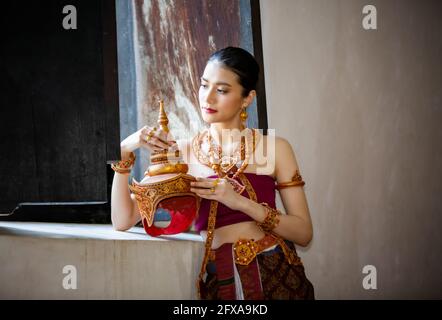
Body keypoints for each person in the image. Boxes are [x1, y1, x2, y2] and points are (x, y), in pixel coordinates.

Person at [111, 46, 315, 300]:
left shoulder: (274, 148)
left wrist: (240, 202)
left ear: (247, 98)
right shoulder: (182, 152)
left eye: (222, 90)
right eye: (204, 85)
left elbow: (304, 233)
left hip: (274, 275)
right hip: (218, 281)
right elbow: (123, 219)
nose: (207, 99)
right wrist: (125, 148)